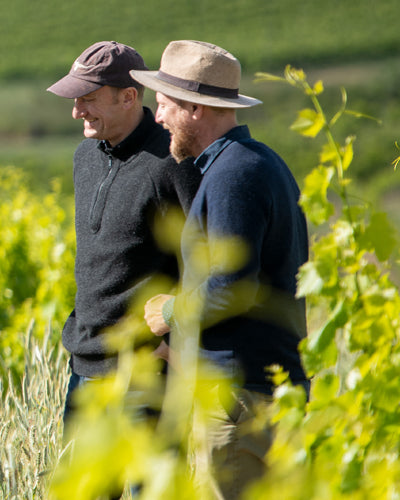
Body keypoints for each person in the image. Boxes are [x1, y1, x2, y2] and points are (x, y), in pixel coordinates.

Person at [134, 40, 310, 500]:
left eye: (165, 105)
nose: (157, 117)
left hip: (238, 402)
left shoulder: (234, 175)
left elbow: (231, 288)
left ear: (194, 107)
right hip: (256, 390)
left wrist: (171, 312)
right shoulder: (257, 163)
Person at [46, 41, 201, 426]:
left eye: (89, 98)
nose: (76, 110)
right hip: (85, 366)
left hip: (146, 371)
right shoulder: (84, 156)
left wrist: (171, 346)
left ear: (129, 97)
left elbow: (204, 258)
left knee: (146, 489)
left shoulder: (174, 162)